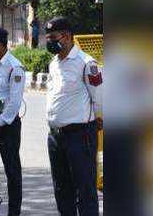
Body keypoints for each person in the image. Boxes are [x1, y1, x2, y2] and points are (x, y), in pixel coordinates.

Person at [45, 16, 102, 216]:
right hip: (55, 136)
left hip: (80, 136)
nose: (48, 41)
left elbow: (100, 98)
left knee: (85, 190)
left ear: (67, 36)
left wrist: (95, 123)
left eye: (52, 37)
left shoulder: (86, 63)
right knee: (62, 190)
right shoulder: (54, 63)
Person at [0, 27, 26, 216]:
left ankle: (14, 212)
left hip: (7, 125)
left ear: (1, 44)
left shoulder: (14, 67)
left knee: (12, 171)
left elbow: (15, 102)